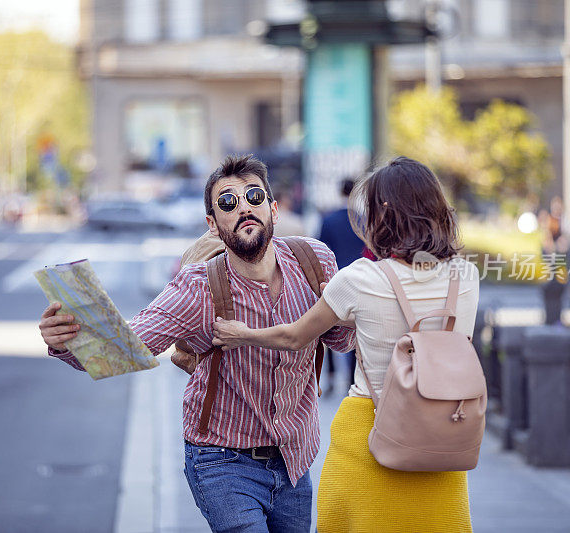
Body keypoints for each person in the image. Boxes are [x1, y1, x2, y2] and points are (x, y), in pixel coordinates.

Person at [39, 154, 355, 533]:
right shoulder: (197, 287)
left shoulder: (315, 261)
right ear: (212, 224)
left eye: (254, 197)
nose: (244, 208)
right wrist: (66, 341)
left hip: (294, 461)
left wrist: (344, 314)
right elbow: (125, 348)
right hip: (222, 462)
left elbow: (340, 342)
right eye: (228, 202)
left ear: (273, 209)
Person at [212, 156, 480, 532]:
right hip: (443, 428)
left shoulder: (359, 278)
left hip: (370, 432)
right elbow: (422, 320)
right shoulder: (466, 276)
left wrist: (242, 334)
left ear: (381, 215)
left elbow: (294, 337)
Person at [317, 178, 364, 394]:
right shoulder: (364, 219)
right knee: (357, 327)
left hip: (335, 280)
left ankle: (330, 375)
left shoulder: (329, 219)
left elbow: (320, 251)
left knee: (329, 326)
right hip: (362, 280)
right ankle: (352, 379)